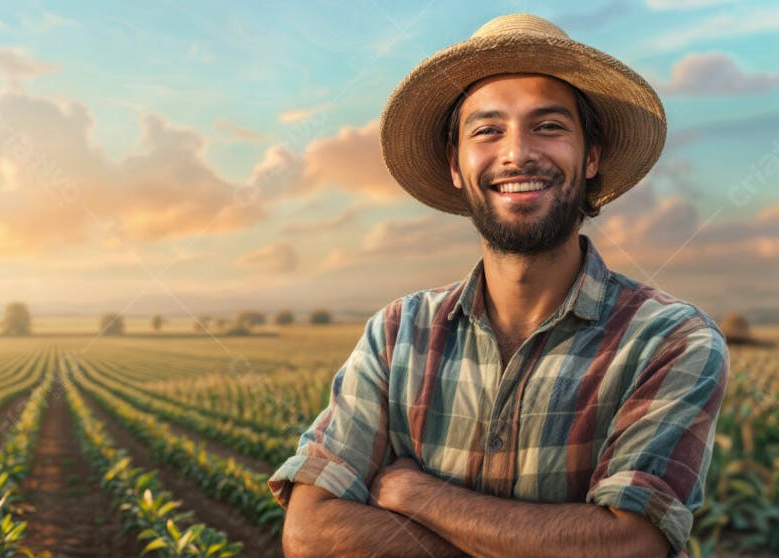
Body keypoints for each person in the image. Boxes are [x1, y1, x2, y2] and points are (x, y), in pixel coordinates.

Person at [268, 13, 729, 558]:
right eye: (487, 130)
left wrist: (418, 495)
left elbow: (629, 546)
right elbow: (309, 534)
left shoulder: (671, 341)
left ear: (592, 156)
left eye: (549, 126)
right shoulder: (397, 333)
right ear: (457, 165)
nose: (517, 153)